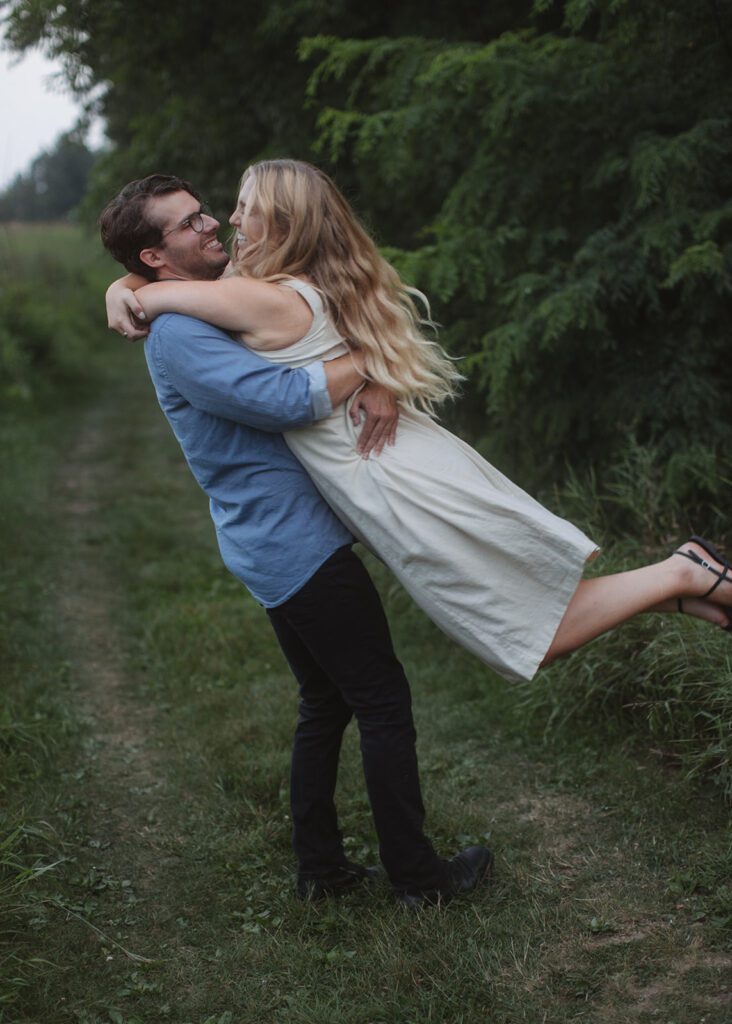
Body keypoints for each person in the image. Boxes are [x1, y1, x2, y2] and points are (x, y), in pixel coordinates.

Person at [106, 159, 732, 686]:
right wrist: (376, 368)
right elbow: (160, 282)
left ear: (283, 223)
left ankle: (680, 571)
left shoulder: (255, 296)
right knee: (520, 622)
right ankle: (681, 587)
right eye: (223, 211)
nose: (228, 220)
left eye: (244, 208)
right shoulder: (280, 280)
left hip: (394, 477)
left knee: (522, 635)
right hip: (396, 464)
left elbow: (157, 294)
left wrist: (125, 293)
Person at [99, 174, 493, 910]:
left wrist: (123, 289)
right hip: (294, 546)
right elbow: (283, 400)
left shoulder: (198, 299)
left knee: (326, 700)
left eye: (207, 212)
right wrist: (377, 363)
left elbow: (234, 306)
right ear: (157, 256)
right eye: (191, 224)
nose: (213, 224)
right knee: (380, 700)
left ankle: (322, 871)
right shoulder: (182, 333)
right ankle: (419, 881)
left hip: (274, 540)